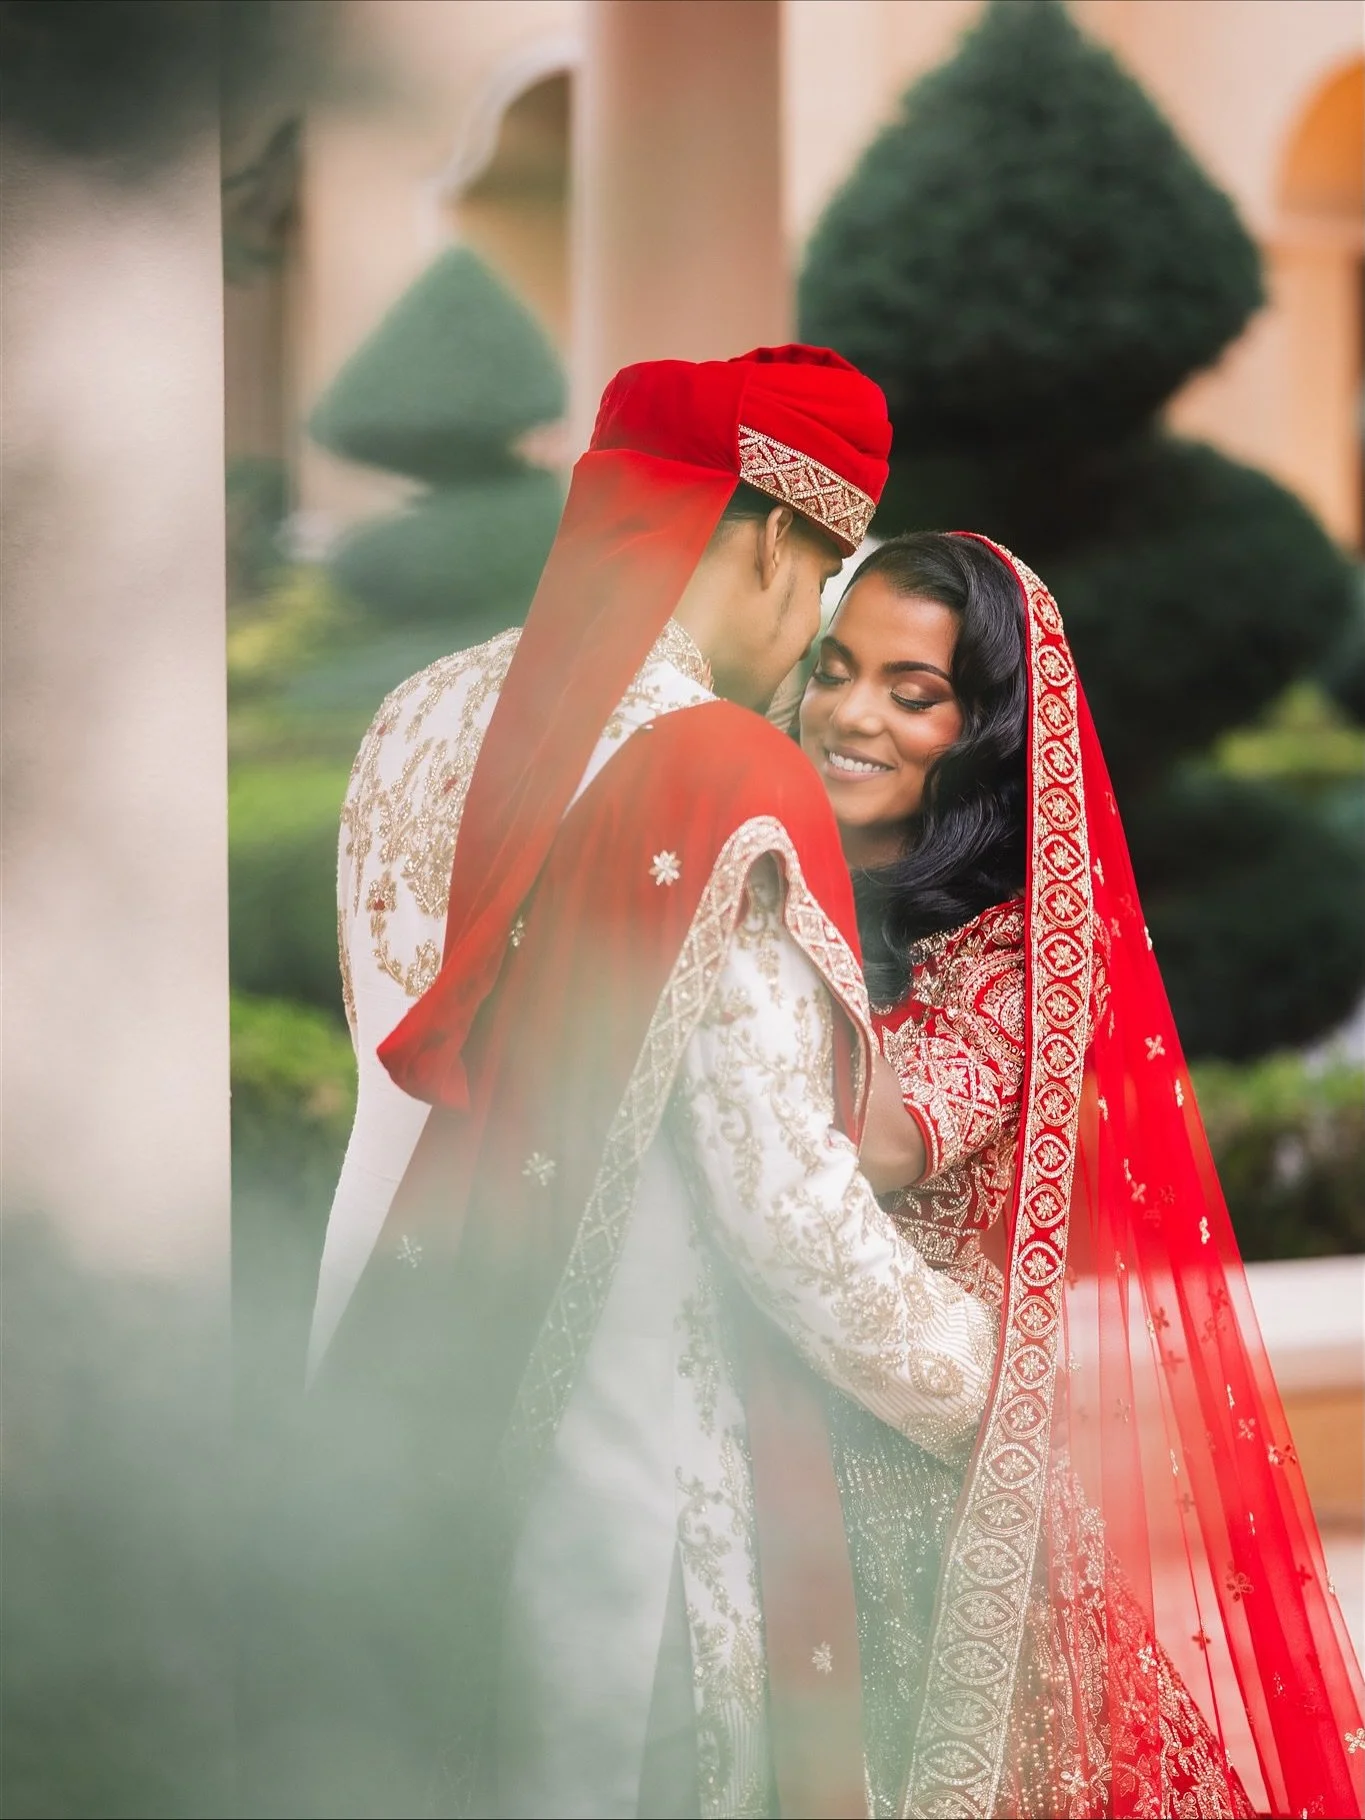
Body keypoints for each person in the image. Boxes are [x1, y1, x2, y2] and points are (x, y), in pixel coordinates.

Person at [305, 350, 1000, 1820]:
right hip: (615, 1454)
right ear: (768, 539)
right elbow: (782, 1208)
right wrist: (984, 1380)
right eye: (823, 588)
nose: (811, 636)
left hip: (382, 1373)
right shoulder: (710, 769)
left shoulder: (415, 714)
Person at [793, 531, 1365, 1819]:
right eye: (834, 670)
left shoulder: (1022, 950)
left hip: (940, 1489)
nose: (854, 713)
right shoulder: (816, 875)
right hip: (781, 1450)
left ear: (984, 730)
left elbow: (886, 1141)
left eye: (912, 689)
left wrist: (744, 936)